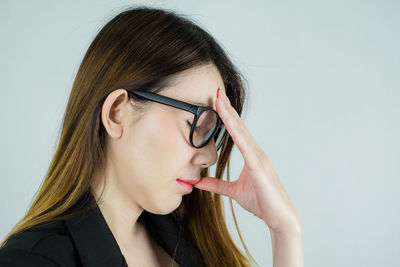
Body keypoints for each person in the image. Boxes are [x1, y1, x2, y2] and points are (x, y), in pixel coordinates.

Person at [0, 6, 304, 267]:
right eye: (196, 123)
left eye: (214, 131)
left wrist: (285, 232)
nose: (211, 155)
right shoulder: (33, 260)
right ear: (117, 113)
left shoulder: (192, 247)